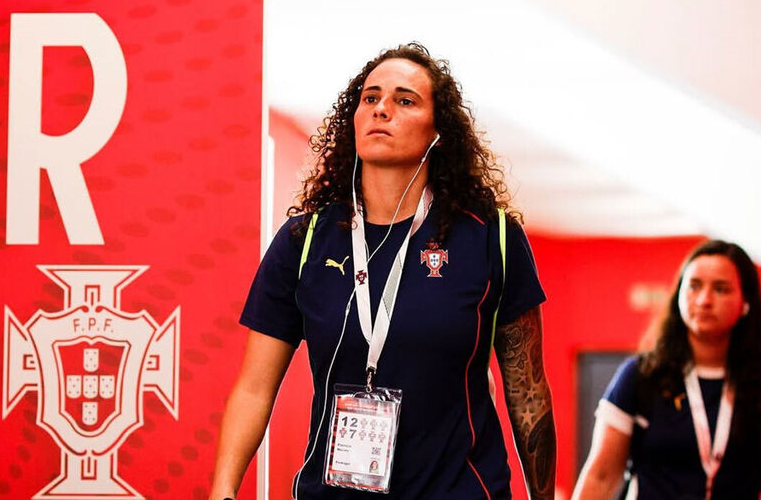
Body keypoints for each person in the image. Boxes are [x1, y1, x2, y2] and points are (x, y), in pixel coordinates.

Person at [210, 43, 556, 499]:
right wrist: (223, 491)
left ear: (439, 131)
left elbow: (527, 396)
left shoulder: (491, 239)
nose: (381, 109)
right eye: (370, 98)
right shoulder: (305, 241)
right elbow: (254, 389)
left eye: (405, 100)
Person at [572, 240, 761, 500]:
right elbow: (601, 475)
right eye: (694, 286)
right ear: (678, 294)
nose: (704, 300)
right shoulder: (641, 374)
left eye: (721, 289)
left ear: (746, 302)